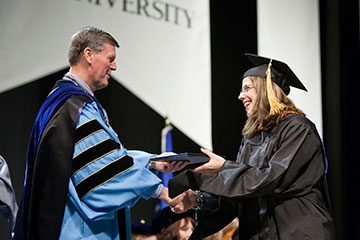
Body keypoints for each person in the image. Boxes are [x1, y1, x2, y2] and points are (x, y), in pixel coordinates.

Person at [12, 26, 188, 240]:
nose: (114, 66)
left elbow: (103, 157)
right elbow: (101, 171)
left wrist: (151, 162)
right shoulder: (76, 107)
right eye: (110, 58)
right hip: (81, 230)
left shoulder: (61, 100)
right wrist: (161, 191)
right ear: (88, 54)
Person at [168, 53, 336, 240]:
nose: (240, 96)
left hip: (299, 232)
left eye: (247, 88)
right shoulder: (252, 138)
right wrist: (199, 199)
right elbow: (241, 194)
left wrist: (221, 169)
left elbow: (271, 179)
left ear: (266, 90)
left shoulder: (298, 128)